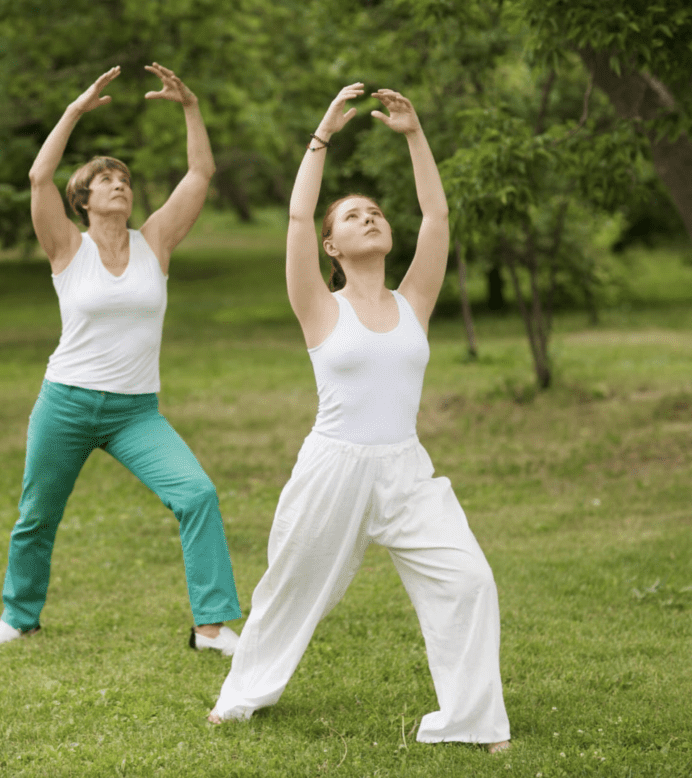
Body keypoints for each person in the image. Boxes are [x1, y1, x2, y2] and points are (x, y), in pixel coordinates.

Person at [207, 83, 511, 752]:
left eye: (374, 212)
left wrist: (415, 135)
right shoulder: (319, 305)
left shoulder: (416, 300)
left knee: (469, 578)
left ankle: (473, 719)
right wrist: (321, 137)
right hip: (333, 468)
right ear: (332, 247)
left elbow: (437, 216)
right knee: (290, 585)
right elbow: (295, 218)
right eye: (352, 217)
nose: (368, 218)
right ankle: (241, 696)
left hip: (406, 468)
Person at [0, 64, 242, 652]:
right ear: (83, 198)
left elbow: (201, 172)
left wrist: (190, 107)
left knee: (196, 493)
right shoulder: (66, 247)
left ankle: (211, 626)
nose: (119, 183)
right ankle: (19, 616)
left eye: (124, 178)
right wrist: (74, 111)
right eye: (105, 179)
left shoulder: (157, 241)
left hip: (135, 413)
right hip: (66, 402)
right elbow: (37, 174)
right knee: (37, 516)